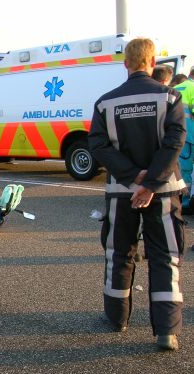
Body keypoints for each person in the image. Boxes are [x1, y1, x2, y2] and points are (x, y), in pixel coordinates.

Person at [88, 38, 186, 351]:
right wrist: (152, 182)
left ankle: (117, 318)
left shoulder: (105, 103)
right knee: (165, 257)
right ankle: (166, 331)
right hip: (164, 193)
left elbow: (99, 146)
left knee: (118, 252)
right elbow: (174, 143)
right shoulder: (170, 97)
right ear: (153, 60)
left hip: (121, 193)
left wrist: (134, 178)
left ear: (126, 63)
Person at [173, 67, 194, 214]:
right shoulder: (192, 88)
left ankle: (180, 200)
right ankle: (186, 203)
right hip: (190, 137)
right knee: (187, 171)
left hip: (177, 136)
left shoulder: (174, 88)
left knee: (181, 170)